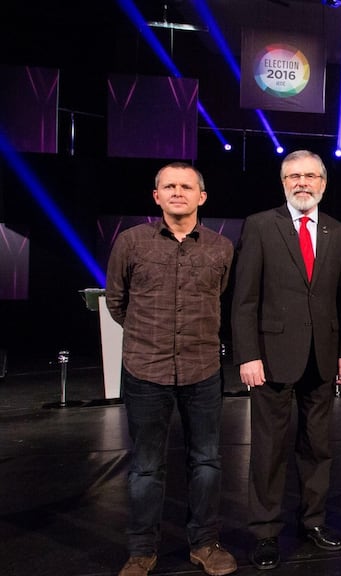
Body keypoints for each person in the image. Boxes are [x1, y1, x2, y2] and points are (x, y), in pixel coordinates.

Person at [106, 162, 237, 576]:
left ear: (202, 197)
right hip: (147, 370)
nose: (177, 192)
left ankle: (205, 544)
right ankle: (142, 551)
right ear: (156, 196)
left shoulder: (221, 247)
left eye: (186, 186)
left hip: (202, 371)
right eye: (169, 186)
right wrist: (151, 337)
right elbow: (116, 301)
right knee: (146, 467)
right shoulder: (131, 242)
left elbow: (223, 296)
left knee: (207, 462)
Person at [231, 150, 341, 570]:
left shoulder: (338, 232)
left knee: (318, 447)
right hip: (272, 358)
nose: (302, 183)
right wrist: (248, 355)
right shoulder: (261, 226)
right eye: (293, 176)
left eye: (310, 176)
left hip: (321, 357)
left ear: (323, 183)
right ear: (283, 183)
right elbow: (244, 299)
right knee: (268, 449)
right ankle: (265, 531)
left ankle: (313, 522)